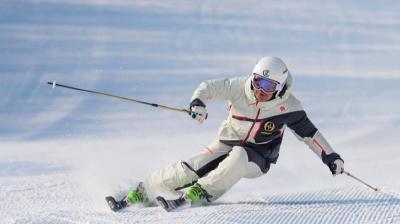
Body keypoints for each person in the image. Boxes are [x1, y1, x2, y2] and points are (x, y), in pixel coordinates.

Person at [125, 56, 344, 207]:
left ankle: (202, 191)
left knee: (239, 156)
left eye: (268, 86)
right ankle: (145, 190)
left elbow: (311, 136)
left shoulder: (290, 106)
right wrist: (198, 103)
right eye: (258, 81)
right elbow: (208, 87)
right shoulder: (240, 86)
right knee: (191, 167)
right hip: (227, 141)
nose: (260, 90)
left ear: (280, 86)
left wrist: (330, 156)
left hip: (257, 157)